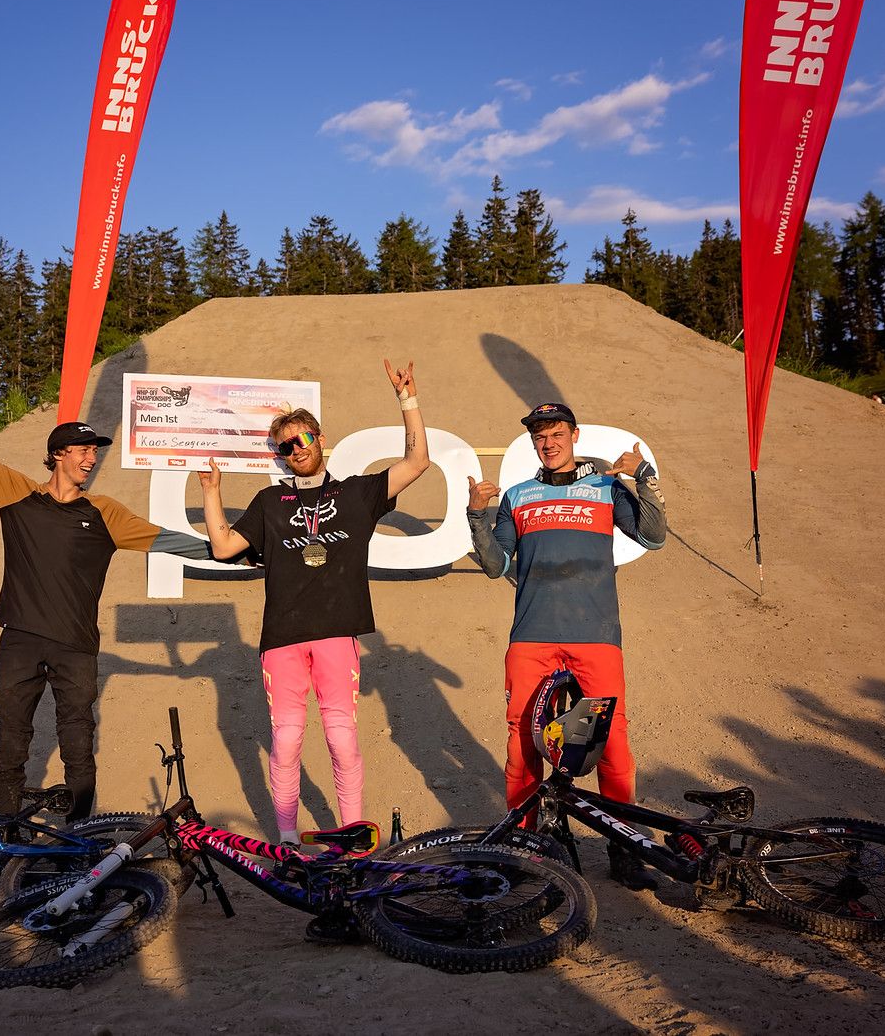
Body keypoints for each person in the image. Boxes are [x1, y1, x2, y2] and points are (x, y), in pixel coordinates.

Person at [0, 354, 212, 824]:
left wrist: (231, 549)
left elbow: (166, 540)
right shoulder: (17, 497)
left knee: (78, 744)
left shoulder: (105, 513)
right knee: (10, 739)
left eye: (95, 451)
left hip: (76, 645)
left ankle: (80, 834)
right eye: (83, 450)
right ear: (58, 454)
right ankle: (6, 831)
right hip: (20, 638)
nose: (92, 458)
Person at [197, 360, 429, 848]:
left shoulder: (357, 493)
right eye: (285, 446)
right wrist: (212, 493)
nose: (295, 450)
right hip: (282, 637)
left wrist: (407, 400)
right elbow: (221, 548)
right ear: (279, 457)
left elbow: (417, 463)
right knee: (285, 742)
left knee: (342, 739)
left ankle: (353, 834)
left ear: (320, 438)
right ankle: (286, 840)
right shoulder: (267, 501)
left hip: (336, 631)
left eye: (302, 439)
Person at [466, 403, 666, 890]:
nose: (548, 443)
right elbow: (495, 565)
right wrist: (476, 516)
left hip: (595, 635)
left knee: (611, 739)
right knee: (522, 740)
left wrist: (644, 478)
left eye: (556, 433)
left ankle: (625, 846)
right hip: (531, 635)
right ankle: (524, 845)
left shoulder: (605, 487)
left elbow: (654, 536)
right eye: (540, 437)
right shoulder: (518, 495)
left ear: (574, 435)